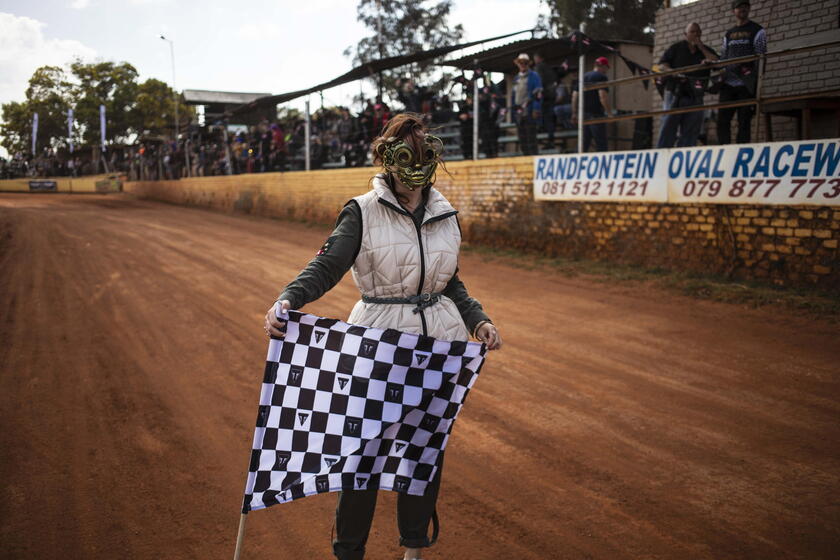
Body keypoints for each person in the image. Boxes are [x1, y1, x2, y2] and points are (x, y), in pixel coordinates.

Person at [263, 113, 502, 560]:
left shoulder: (445, 212)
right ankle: (349, 551)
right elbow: (328, 265)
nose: (414, 165)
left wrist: (477, 319)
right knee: (363, 459)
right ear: (386, 156)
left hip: (439, 351)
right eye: (404, 154)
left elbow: (448, 281)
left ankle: (414, 550)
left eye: (422, 153)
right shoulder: (361, 210)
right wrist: (289, 298)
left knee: (425, 453)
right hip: (379, 347)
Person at [656, 23, 719, 148]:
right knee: (668, 128)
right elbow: (662, 65)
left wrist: (703, 50)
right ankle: (661, 156)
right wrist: (673, 72)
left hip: (695, 95)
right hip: (675, 93)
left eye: (698, 32)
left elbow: (717, 62)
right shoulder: (676, 48)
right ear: (686, 34)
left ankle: (683, 158)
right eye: (692, 32)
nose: (695, 34)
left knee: (691, 130)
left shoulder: (705, 50)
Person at [717, 0, 766, 144]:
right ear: (733, 11)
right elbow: (724, 56)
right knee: (722, 120)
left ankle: (742, 151)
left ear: (749, 9)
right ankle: (723, 150)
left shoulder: (758, 30)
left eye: (745, 6)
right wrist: (720, 71)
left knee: (744, 120)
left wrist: (757, 82)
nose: (743, 9)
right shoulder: (729, 34)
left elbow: (761, 57)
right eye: (739, 7)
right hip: (728, 84)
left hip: (747, 83)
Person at [571, 56, 612, 152]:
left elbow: (574, 96)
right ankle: (603, 164)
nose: (606, 70)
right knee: (601, 143)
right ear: (603, 66)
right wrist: (609, 113)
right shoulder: (601, 77)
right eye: (606, 68)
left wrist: (574, 113)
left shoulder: (583, 77)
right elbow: (603, 97)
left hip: (583, 115)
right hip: (596, 114)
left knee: (583, 144)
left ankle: (578, 164)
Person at [510, 53, 542, 155]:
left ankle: (533, 159)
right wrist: (513, 112)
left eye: (525, 63)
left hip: (529, 110)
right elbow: (513, 96)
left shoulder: (534, 76)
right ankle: (526, 157)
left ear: (528, 64)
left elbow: (538, 93)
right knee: (522, 139)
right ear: (518, 64)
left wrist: (536, 109)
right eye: (521, 63)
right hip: (519, 112)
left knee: (531, 137)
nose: (522, 64)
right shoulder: (516, 78)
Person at [533, 51, 558, 149]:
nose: (535, 60)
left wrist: (538, 94)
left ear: (540, 58)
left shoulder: (539, 67)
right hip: (551, 97)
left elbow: (539, 83)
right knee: (549, 119)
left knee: (546, 119)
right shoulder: (549, 68)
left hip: (545, 98)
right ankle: (549, 140)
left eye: (536, 58)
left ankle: (548, 141)